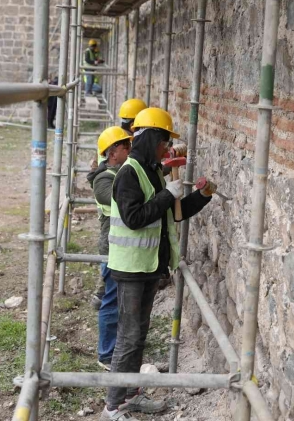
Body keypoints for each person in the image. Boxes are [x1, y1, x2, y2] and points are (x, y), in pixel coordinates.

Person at [100, 108, 214, 421]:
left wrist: (202, 196)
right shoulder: (129, 173)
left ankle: (131, 394)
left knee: (138, 334)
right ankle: (112, 407)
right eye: (164, 141)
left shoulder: (150, 170)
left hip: (149, 266)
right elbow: (134, 218)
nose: (166, 148)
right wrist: (166, 194)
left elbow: (172, 214)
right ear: (151, 138)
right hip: (131, 268)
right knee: (128, 336)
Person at [90, 98, 149, 311]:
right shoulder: (120, 143)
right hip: (111, 215)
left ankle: (103, 295)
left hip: (114, 212)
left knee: (112, 267)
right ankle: (101, 296)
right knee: (110, 264)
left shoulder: (118, 138)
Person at [87, 126, 132, 372]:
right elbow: (121, 197)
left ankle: (115, 349)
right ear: (113, 152)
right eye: (126, 146)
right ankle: (106, 355)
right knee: (111, 301)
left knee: (117, 299)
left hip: (122, 246)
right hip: (112, 247)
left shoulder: (120, 170)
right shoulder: (104, 179)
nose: (130, 149)